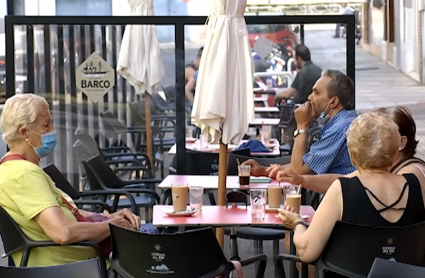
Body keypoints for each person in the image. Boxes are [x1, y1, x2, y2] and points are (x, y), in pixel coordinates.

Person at [0, 94, 148, 267]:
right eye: (46, 125)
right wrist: (113, 226)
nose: (53, 130)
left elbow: (65, 212)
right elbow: (62, 232)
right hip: (80, 265)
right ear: (24, 133)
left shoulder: (14, 168)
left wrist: (111, 218)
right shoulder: (24, 174)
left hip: (83, 260)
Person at [278, 112, 425, 268]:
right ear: (395, 150)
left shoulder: (342, 189)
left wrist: (297, 223)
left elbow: (307, 251)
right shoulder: (416, 185)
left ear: (352, 156)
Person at [276, 106, 425, 194]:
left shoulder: (411, 174)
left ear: (401, 142)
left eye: (378, 136)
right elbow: (344, 181)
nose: (369, 141)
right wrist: (300, 179)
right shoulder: (387, 168)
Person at [244, 70, 357, 176]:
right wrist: (263, 171)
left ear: (333, 102)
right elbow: (308, 164)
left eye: (316, 93)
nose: (309, 97)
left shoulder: (339, 128)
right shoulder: (342, 121)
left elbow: (299, 170)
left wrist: (302, 126)